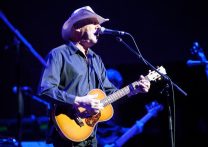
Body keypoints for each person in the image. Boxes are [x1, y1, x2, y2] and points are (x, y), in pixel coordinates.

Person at [37, 6, 151, 147]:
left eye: (99, 23)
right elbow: (45, 89)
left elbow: (110, 93)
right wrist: (79, 101)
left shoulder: (96, 59)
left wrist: (134, 89)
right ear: (77, 27)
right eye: (93, 22)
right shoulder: (59, 54)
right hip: (67, 135)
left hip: (91, 136)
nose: (99, 27)